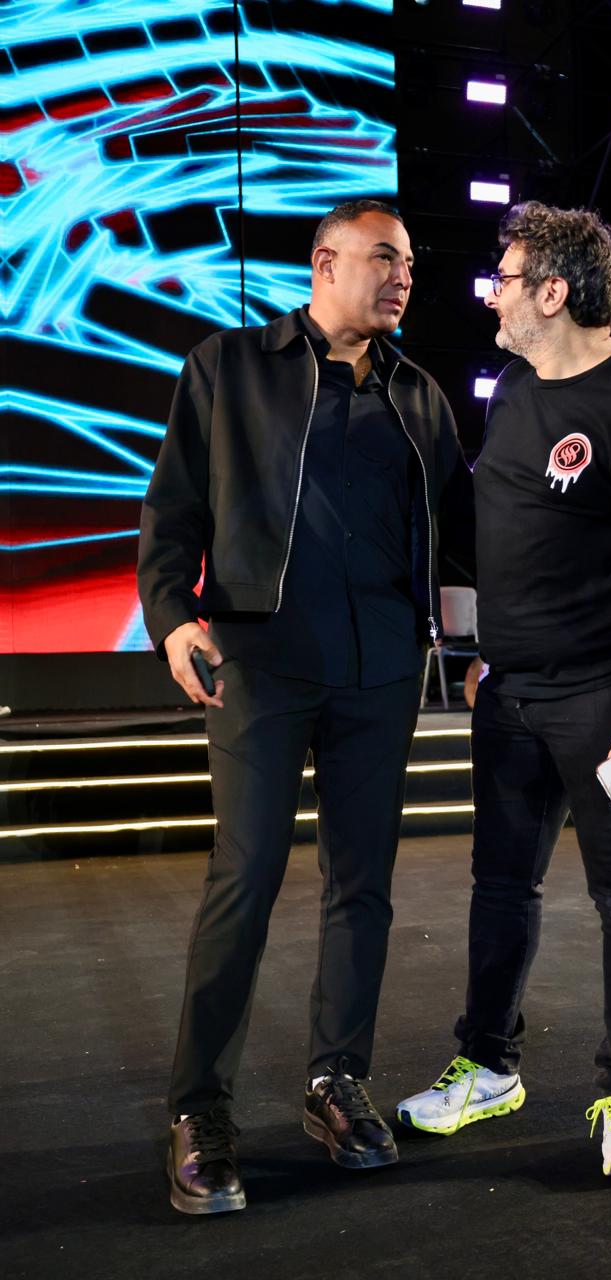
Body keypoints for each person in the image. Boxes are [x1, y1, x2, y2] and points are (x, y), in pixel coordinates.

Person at [137, 199, 472, 1214]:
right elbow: (171, 512)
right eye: (383, 258)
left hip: (381, 672)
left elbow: (456, 538)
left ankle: (337, 1081)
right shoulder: (228, 367)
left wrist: (476, 646)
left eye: (408, 263)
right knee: (243, 879)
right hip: (262, 663)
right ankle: (200, 1111)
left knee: (361, 885)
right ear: (324, 263)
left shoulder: (420, 396)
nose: (402, 276)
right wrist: (172, 619)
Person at [396, 201, 611, 1177]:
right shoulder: (512, 389)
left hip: (610, 700)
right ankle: (488, 1064)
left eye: (502, 278)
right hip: (511, 696)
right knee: (500, 885)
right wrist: (492, 645)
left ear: (551, 291)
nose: (489, 295)